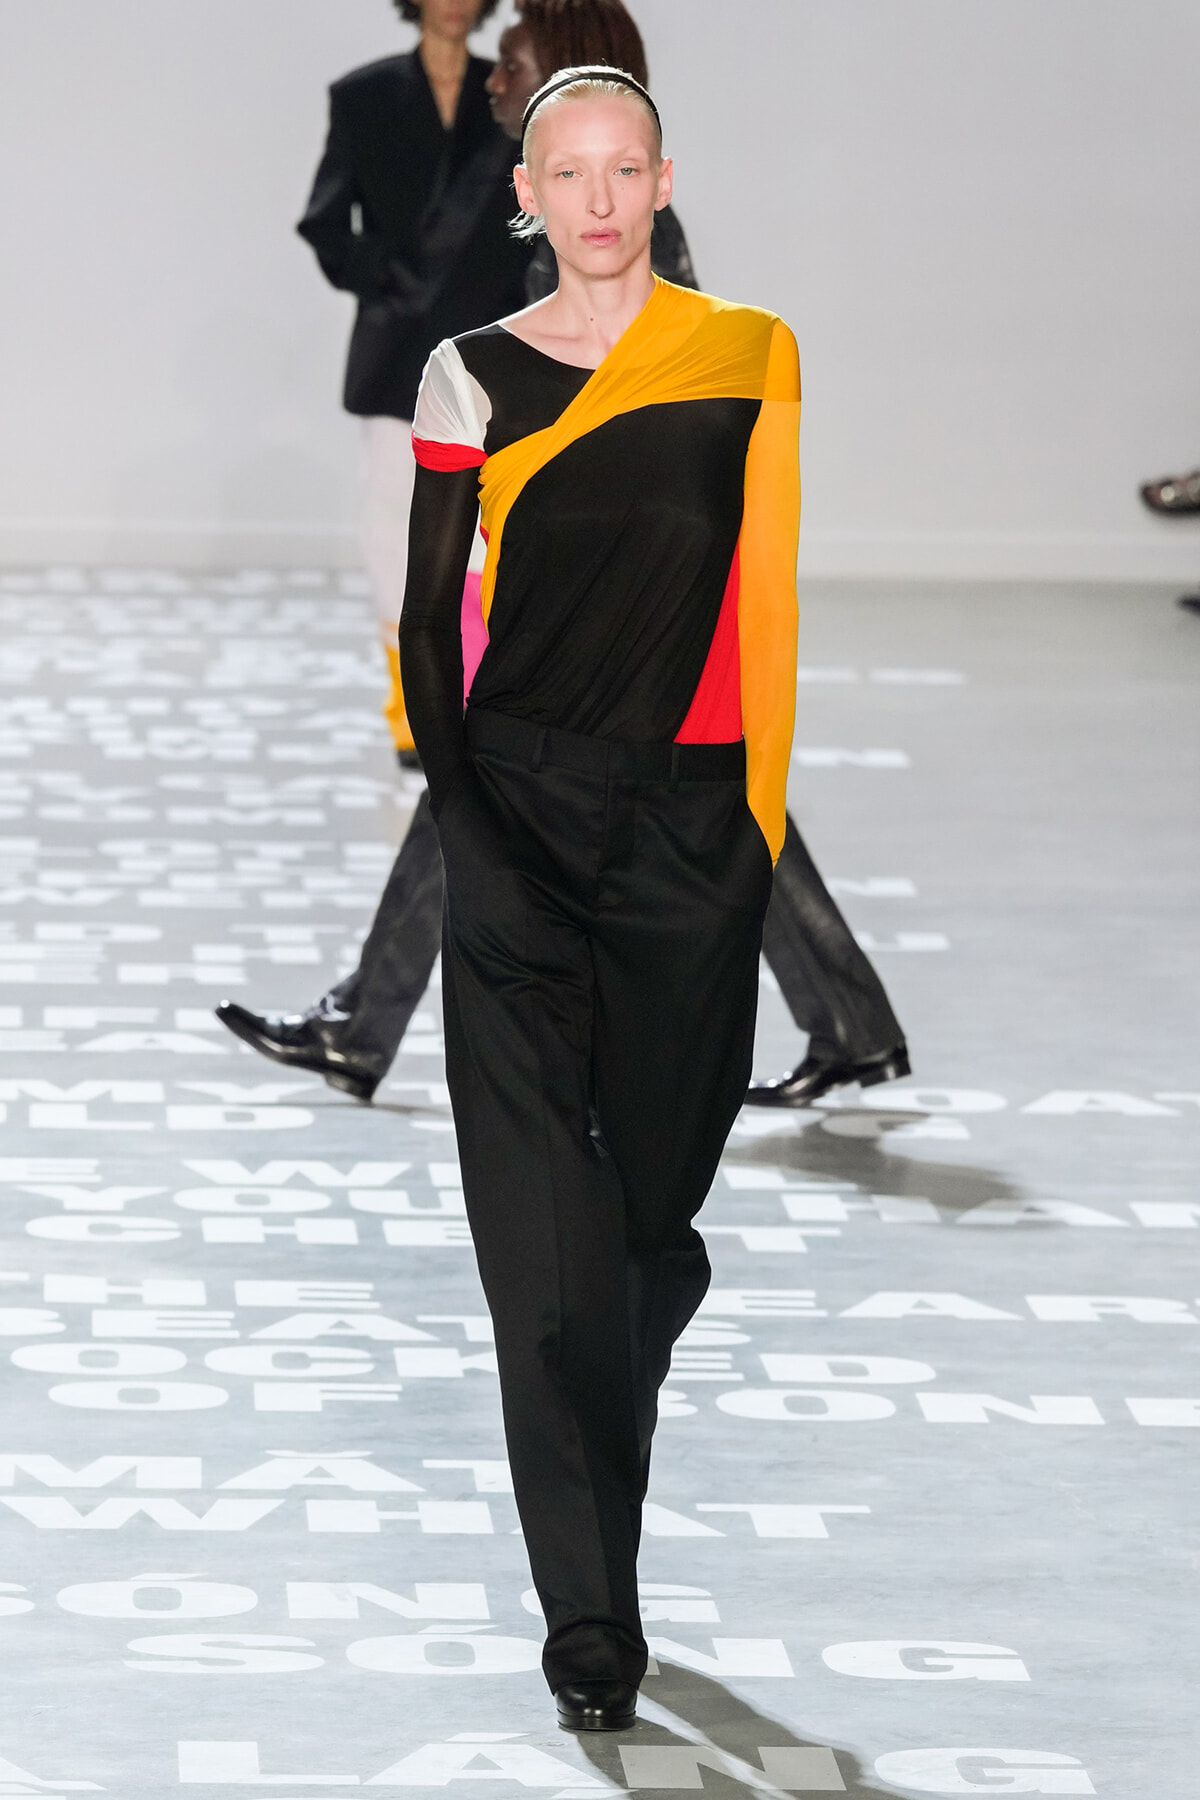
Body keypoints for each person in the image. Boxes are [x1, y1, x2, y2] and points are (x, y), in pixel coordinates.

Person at [217, 0, 908, 1112]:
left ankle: (364, 1023)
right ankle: (848, 1020)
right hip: (587, 569)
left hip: (628, 575)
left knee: (671, 788)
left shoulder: (625, 241)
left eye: (517, 66)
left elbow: (661, 413)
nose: (498, 81)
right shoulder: (565, 214)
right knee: (536, 777)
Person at [399, 67, 799, 1730]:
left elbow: (765, 604)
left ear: (663, 179)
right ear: (528, 196)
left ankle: (641, 1306)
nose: (599, 201)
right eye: (568, 174)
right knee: (547, 1269)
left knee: (644, 1232)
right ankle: (592, 1617)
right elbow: (429, 626)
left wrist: (752, 840)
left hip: (691, 845)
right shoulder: (471, 373)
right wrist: (470, 823)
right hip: (521, 819)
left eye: (624, 169)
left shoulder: (748, 357)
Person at [297, 0, 530, 763]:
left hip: (494, 346)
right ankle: (410, 699)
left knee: (495, 521)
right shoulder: (363, 97)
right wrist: (390, 282)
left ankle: (477, 688)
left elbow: (536, 217)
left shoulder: (516, 89)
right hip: (397, 348)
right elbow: (326, 222)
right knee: (392, 519)